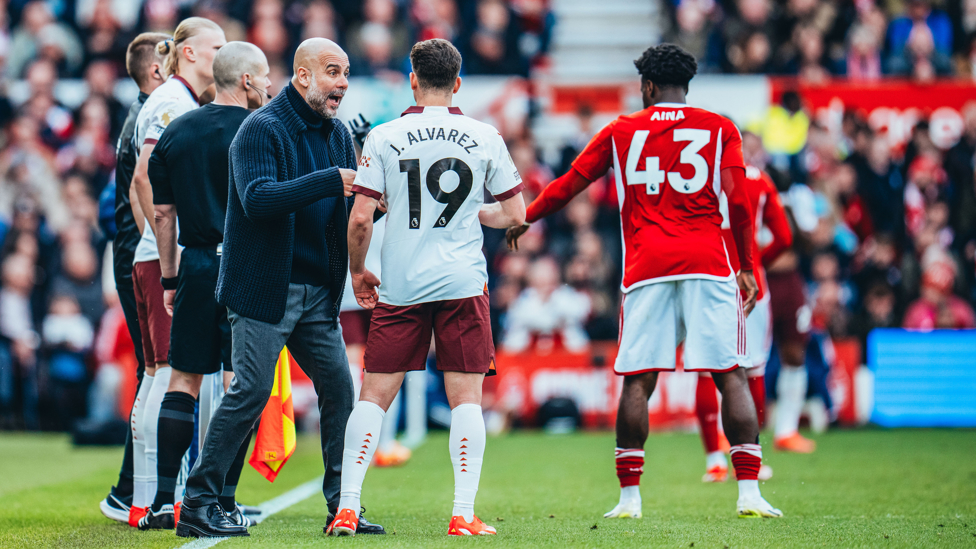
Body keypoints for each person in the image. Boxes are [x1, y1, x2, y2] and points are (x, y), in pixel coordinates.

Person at [506, 43, 782, 519]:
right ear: (685, 86)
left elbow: (571, 182)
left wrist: (527, 216)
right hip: (708, 262)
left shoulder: (621, 130)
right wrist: (748, 267)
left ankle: (629, 499)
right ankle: (749, 494)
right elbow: (738, 204)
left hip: (647, 266)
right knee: (730, 374)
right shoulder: (720, 127)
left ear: (648, 86)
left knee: (638, 380)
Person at [177, 38, 384, 539]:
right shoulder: (260, 128)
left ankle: (342, 504)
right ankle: (198, 502)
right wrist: (331, 181)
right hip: (264, 288)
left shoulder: (336, 134)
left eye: (347, 73)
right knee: (249, 391)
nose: (342, 83)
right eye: (333, 72)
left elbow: (341, 203)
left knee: (340, 390)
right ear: (304, 75)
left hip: (317, 293)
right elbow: (257, 200)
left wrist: (376, 205)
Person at [327, 38, 525, 537]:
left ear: (412, 79)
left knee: (372, 396)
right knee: (467, 400)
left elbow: (360, 218)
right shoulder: (484, 135)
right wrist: (473, 213)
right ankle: (462, 513)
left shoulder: (384, 136)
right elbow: (515, 214)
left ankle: (347, 507)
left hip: (402, 284)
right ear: (457, 83)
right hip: (461, 282)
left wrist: (357, 271)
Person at [136, 42, 270, 531]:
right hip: (246, 271)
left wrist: (170, 277)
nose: (271, 86)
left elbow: (163, 214)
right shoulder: (264, 131)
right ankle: (223, 500)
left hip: (194, 266)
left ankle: (162, 501)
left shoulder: (178, 131)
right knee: (242, 387)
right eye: (267, 77)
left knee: (183, 380)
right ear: (247, 81)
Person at [128, 17, 226, 527]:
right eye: (216, 47)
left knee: (169, 376)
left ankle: (155, 496)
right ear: (188, 52)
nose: (222, 55)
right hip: (169, 256)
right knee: (168, 375)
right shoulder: (172, 102)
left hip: (166, 253)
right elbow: (144, 176)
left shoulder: (178, 100)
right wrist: (162, 242)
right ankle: (149, 497)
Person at [99, 31, 171, 525]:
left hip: (132, 254)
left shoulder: (138, 115)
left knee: (159, 372)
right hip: (142, 257)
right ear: (156, 70)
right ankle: (135, 491)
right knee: (159, 370)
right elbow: (135, 189)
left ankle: (135, 490)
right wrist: (155, 247)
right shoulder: (154, 115)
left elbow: (113, 203)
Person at [697, 164, 792, 483]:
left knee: (706, 371)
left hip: (706, 280)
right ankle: (753, 457)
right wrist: (758, 259)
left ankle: (714, 459)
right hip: (750, 284)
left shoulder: (696, 171)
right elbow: (784, 236)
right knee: (753, 371)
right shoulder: (759, 178)